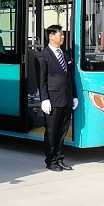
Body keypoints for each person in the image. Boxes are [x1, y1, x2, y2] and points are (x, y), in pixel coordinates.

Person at [36, 24, 78, 172]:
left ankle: (60, 159)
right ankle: (50, 161)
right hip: (52, 99)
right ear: (51, 36)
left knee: (62, 131)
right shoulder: (43, 56)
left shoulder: (65, 54)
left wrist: (74, 96)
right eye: (60, 34)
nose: (63, 37)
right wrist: (44, 99)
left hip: (66, 98)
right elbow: (41, 80)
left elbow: (70, 77)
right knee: (51, 131)